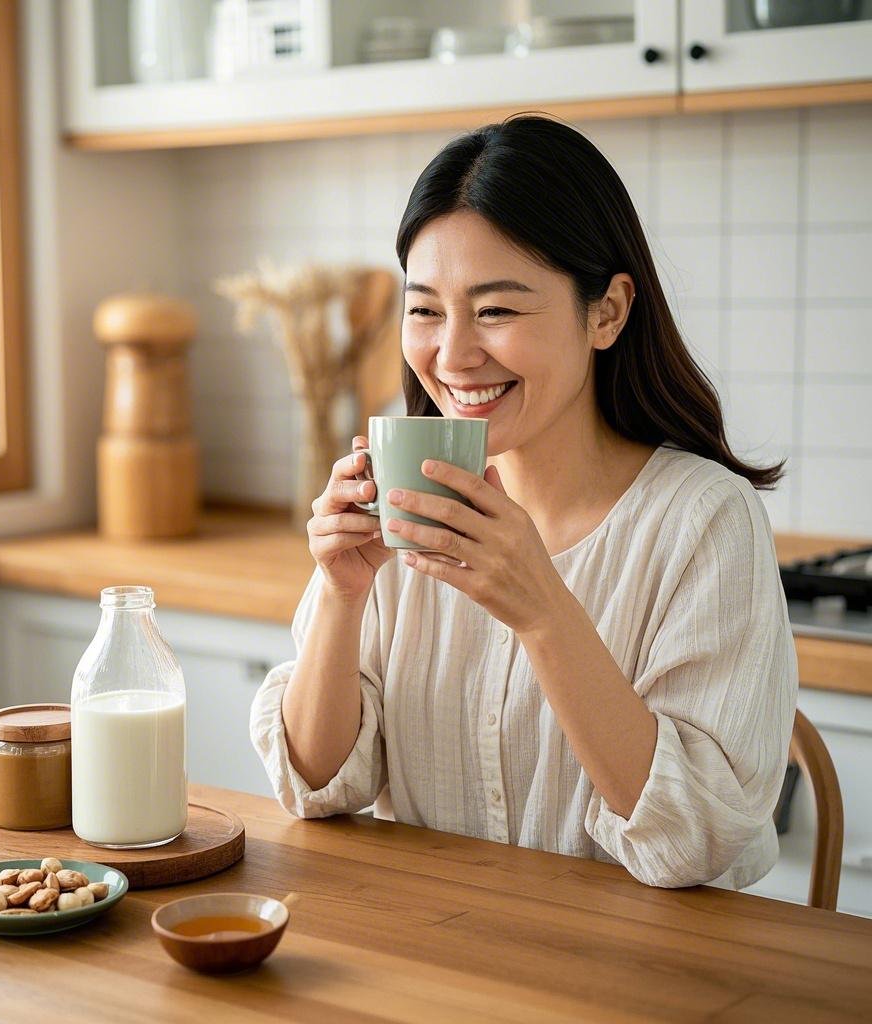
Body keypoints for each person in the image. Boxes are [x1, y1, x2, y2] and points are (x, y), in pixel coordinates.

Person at [249, 113, 798, 890]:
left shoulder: (704, 521)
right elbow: (315, 785)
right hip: (439, 959)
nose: (453, 353)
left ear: (606, 311)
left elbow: (696, 843)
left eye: (497, 310)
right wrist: (342, 597)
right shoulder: (406, 502)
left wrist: (543, 611)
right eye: (426, 309)